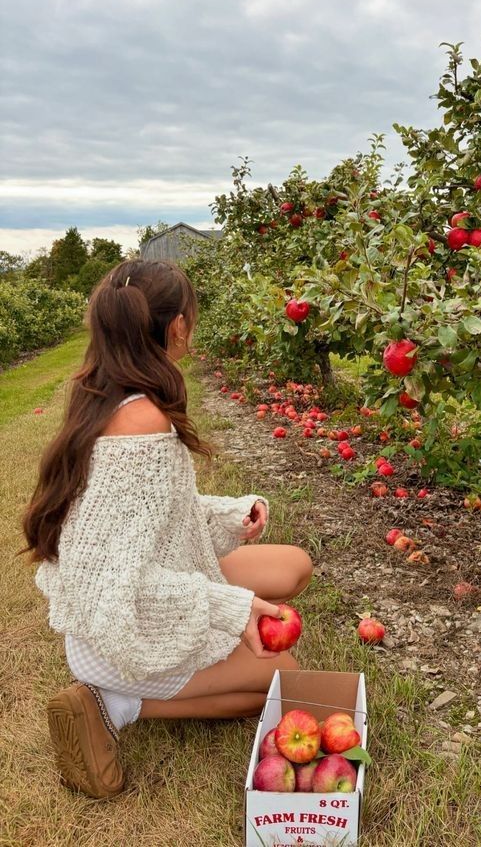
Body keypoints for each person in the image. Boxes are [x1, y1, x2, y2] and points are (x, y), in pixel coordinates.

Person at [22, 258, 312, 799]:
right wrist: (234, 607)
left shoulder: (106, 394)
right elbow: (113, 580)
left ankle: (123, 691)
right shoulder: (143, 421)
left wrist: (228, 515)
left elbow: (152, 515)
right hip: (118, 633)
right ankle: (114, 704)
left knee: (292, 565)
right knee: (286, 678)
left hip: (139, 586)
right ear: (177, 325)